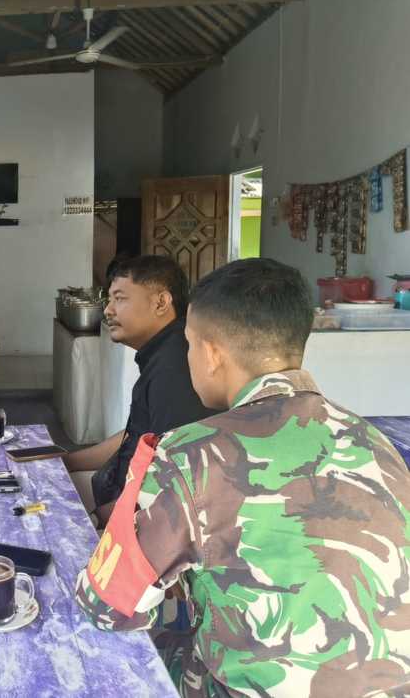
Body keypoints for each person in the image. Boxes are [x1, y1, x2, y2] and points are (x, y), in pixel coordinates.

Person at [74, 258, 410, 697]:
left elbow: (108, 604)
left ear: (212, 354)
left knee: (122, 651)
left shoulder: (192, 453)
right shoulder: (376, 442)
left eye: (189, 345)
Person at [64, 255, 216, 524]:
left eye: (120, 298)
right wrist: (67, 462)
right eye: (109, 300)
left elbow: (172, 486)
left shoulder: (177, 366)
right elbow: (138, 435)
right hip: (116, 489)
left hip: (144, 520)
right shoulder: (162, 353)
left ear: (161, 302)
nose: (108, 310)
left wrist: (95, 521)